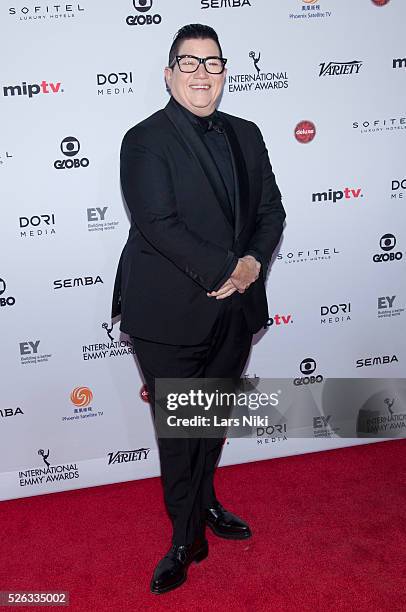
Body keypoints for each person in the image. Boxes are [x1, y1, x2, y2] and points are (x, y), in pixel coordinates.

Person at [111, 23, 286, 594]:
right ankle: (183, 539)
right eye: (189, 63)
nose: (202, 74)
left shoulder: (247, 133)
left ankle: (205, 503)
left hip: (235, 308)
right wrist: (225, 270)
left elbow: (271, 212)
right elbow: (158, 224)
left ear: (225, 71)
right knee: (181, 431)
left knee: (210, 420)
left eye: (212, 63)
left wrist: (253, 264)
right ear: (169, 73)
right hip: (169, 313)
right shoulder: (144, 139)